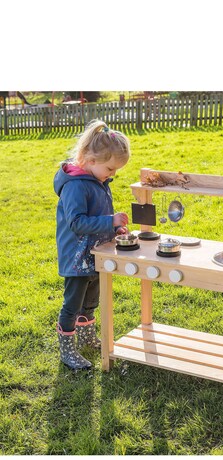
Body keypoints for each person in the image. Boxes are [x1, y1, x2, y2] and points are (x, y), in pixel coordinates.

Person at [54, 119, 130, 370]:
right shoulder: (75, 186)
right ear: (90, 160)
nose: (113, 174)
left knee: (91, 301)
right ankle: (68, 351)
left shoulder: (99, 181)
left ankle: (87, 338)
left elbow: (97, 215)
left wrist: (115, 227)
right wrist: (109, 221)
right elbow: (76, 222)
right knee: (73, 305)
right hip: (76, 257)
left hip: (95, 254)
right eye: (110, 168)